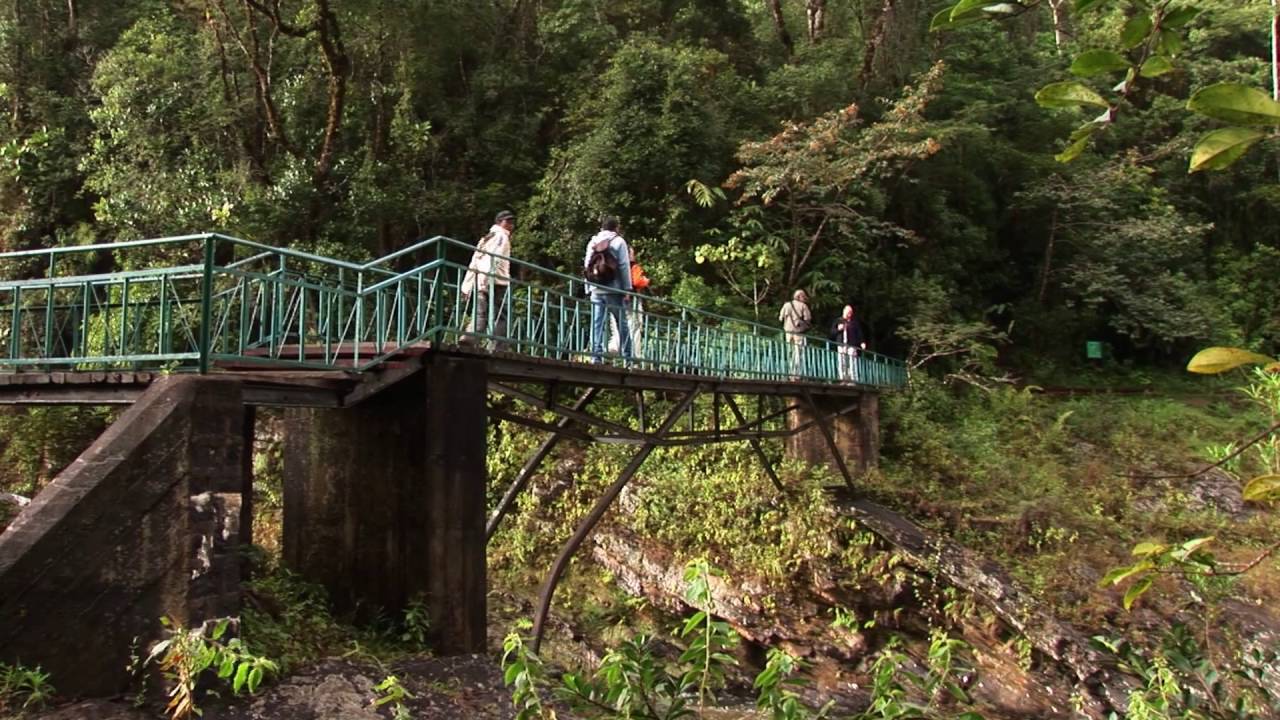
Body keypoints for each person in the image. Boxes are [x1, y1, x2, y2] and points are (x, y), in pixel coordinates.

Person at [462, 210, 514, 349]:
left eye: (512, 221)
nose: (511, 224)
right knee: (502, 315)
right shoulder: (501, 236)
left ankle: (469, 338)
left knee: (481, 313)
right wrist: (488, 278)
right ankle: (498, 346)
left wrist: (466, 286)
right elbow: (495, 257)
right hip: (496, 282)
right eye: (508, 221)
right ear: (499, 222)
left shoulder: (485, 239)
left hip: (482, 280)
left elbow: (474, 262)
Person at [584, 216, 632, 362]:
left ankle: (596, 357)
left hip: (596, 288)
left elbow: (587, 265)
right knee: (621, 323)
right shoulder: (619, 241)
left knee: (597, 323)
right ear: (616, 228)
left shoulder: (593, 241)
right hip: (614, 290)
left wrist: (588, 287)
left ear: (602, 228)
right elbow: (624, 266)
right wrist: (627, 289)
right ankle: (628, 358)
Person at [610, 245, 649, 356]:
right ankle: (634, 354)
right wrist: (645, 281)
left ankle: (615, 346)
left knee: (617, 323)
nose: (633, 256)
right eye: (632, 253)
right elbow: (637, 281)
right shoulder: (633, 267)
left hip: (615, 298)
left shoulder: (614, 266)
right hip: (631, 300)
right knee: (635, 326)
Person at [778, 289, 812, 378]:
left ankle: (790, 372)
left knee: (790, 352)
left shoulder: (787, 305)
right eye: (804, 297)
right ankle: (796, 374)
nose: (804, 298)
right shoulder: (803, 306)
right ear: (800, 297)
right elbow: (808, 318)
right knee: (798, 353)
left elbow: (780, 318)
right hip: (798, 332)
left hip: (788, 332)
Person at [829, 304, 866, 383]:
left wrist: (862, 342)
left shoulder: (854, 322)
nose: (849, 314)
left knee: (852, 362)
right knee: (842, 362)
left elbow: (859, 333)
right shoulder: (838, 321)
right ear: (844, 312)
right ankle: (843, 379)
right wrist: (838, 329)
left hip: (851, 344)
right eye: (848, 312)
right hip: (841, 344)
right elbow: (832, 333)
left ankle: (853, 379)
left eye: (850, 312)